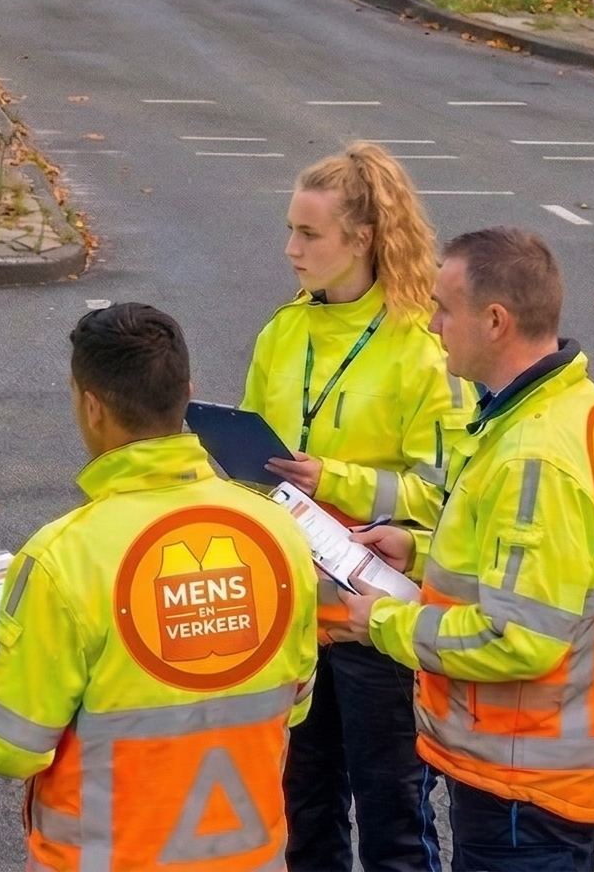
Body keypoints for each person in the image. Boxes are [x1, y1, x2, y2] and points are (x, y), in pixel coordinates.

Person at [0, 304, 319, 870]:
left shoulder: (64, 556)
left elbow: (6, 743)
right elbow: (295, 703)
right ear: (186, 394)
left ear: (92, 407)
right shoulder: (278, 533)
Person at [328, 229, 594, 872]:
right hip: (545, 767)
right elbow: (534, 573)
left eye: (445, 309)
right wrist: (416, 553)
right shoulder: (576, 409)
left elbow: (516, 637)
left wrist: (383, 622)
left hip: (523, 783)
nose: (432, 325)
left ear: (496, 321)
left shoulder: (533, 457)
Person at [246, 144, 464, 872]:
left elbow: (448, 494)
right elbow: (248, 464)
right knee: (304, 822)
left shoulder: (421, 347)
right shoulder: (283, 331)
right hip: (294, 615)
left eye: (309, 234)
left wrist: (332, 479)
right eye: (290, 229)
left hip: (379, 621)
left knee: (394, 826)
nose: (291, 249)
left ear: (363, 239)